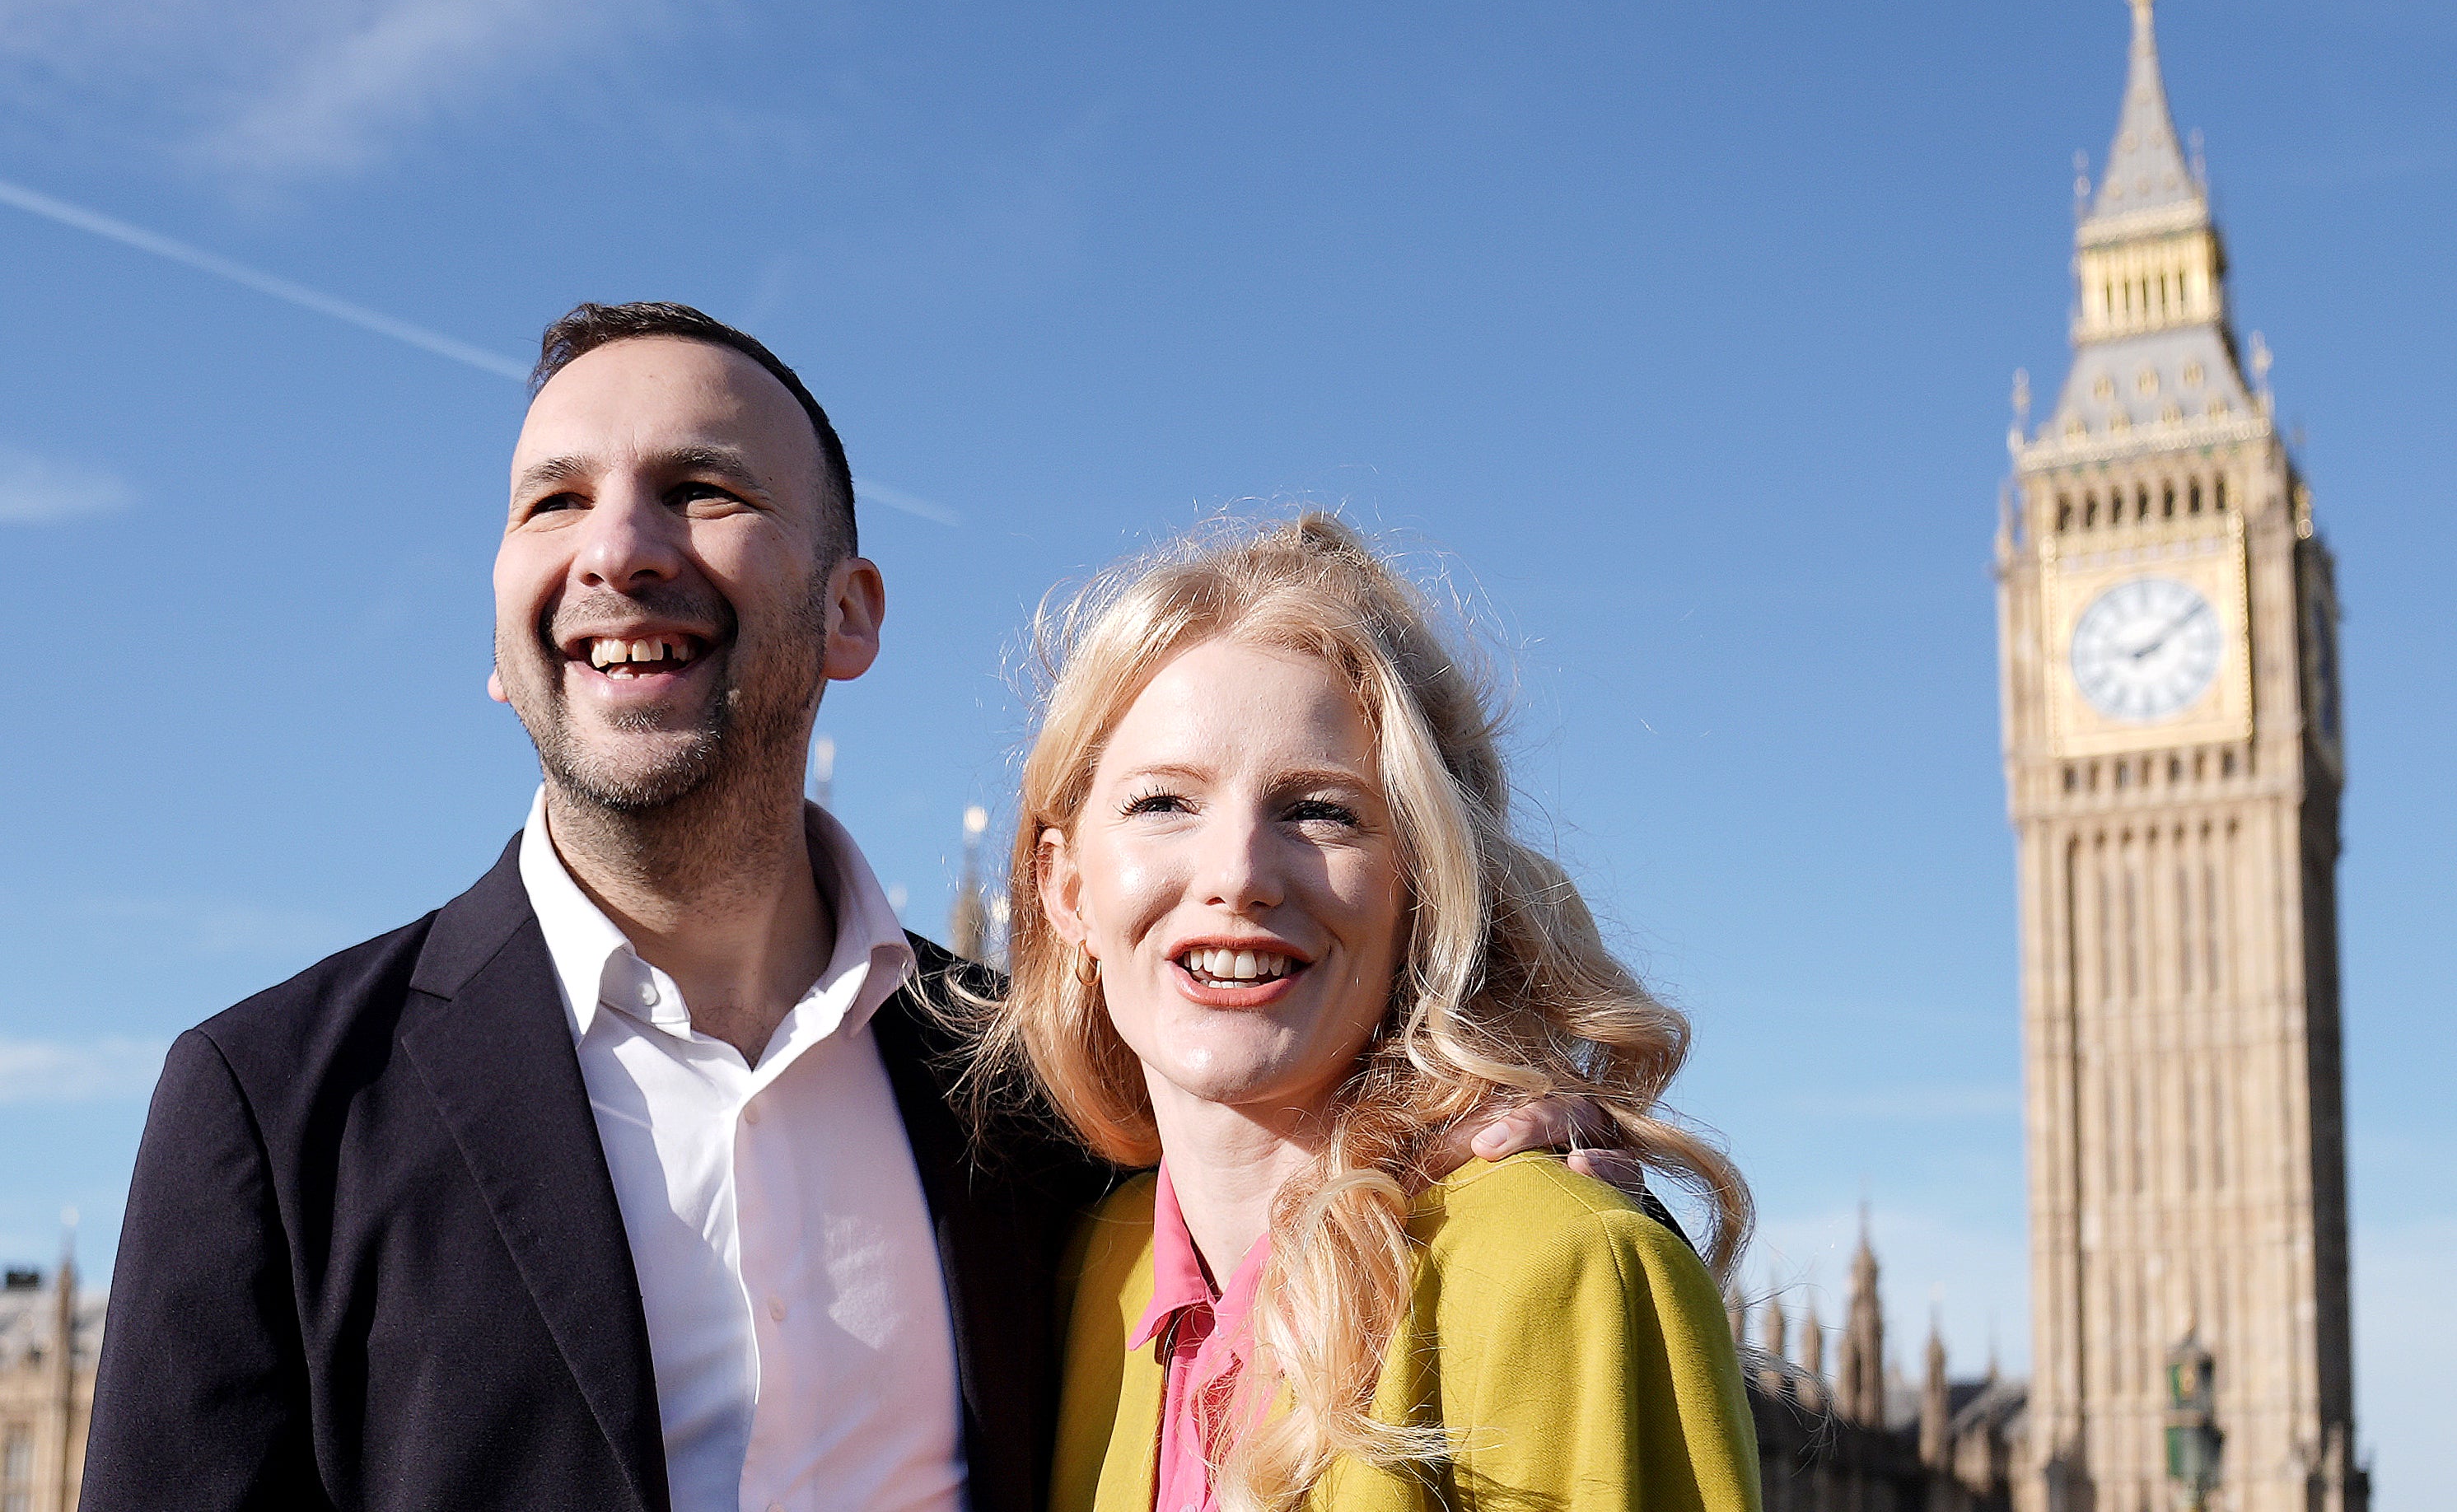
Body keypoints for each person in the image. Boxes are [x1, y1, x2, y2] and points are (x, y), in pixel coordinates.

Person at [82, 304, 1618, 1512]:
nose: (618, 548)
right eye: (554, 502)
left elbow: (1266, 1180)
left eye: (701, 489)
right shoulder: (273, 1108)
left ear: (849, 612)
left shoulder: (1037, 1095)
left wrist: (1451, 1131)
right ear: (503, 636)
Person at [965, 514, 1762, 1511]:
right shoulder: (1095, 1272)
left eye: (1319, 809)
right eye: (1164, 801)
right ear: (1066, 887)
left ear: (1423, 889)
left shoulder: (1556, 1268)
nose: (1238, 876)